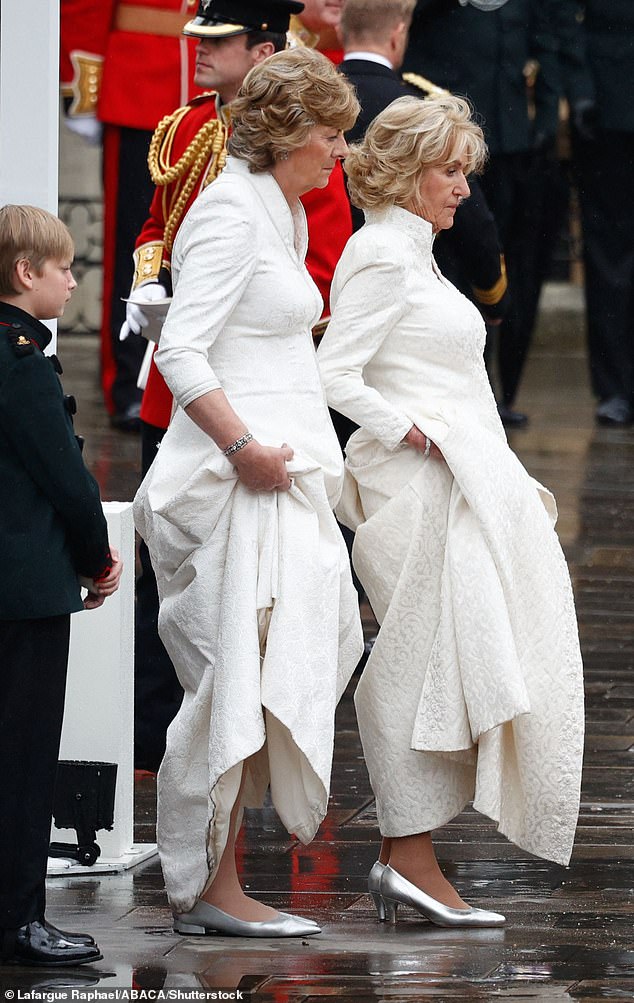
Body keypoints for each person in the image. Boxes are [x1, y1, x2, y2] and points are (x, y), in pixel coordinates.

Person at [318, 96, 585, 928]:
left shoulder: (416, 254)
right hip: (410, 491)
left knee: (446, 669)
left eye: (465, 169)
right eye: (449, 169)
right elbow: (334, 372)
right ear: (403, 171)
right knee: (413, 667)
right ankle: (409, 857)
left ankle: (411, 855)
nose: (463, 187)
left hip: (451, 489)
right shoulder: (380, 255)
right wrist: (419, 433)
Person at [133, 47, 363, 937]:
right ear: (290, 136)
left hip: (282, 474)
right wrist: (242, 450)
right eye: (332, 135)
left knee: (274, 664)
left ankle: (219, 884)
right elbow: (182, 348)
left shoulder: (283, 212)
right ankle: (208, 889)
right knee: (228, 678)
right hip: (234, 479)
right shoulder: (229, 211)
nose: (340, 152)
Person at [0, 205, 123, 966]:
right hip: (26, 590)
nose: (73, 281)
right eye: (63, 268)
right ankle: (19, 921)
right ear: (24, 273)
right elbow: (66, 480)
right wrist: (96, 553)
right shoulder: (20, 360)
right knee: (23, 759)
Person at [403, 0, 562, 428]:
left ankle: (503, 389)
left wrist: (547, 113)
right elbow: (407, 19)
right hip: (447, 134)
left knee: (509, 264)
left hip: (512, 139)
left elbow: (544, 38)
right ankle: (463, 385)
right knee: (454, 264)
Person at [60, 0, 203, 430]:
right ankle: (128, 383)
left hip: (210, 88)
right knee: (133, 243)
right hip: (139, 87)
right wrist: (82, 86)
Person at [552, 1, 634, 426]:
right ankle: (615, 386)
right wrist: (581, 90)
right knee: (608, 257)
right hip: (607, 113)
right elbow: (567, 22)